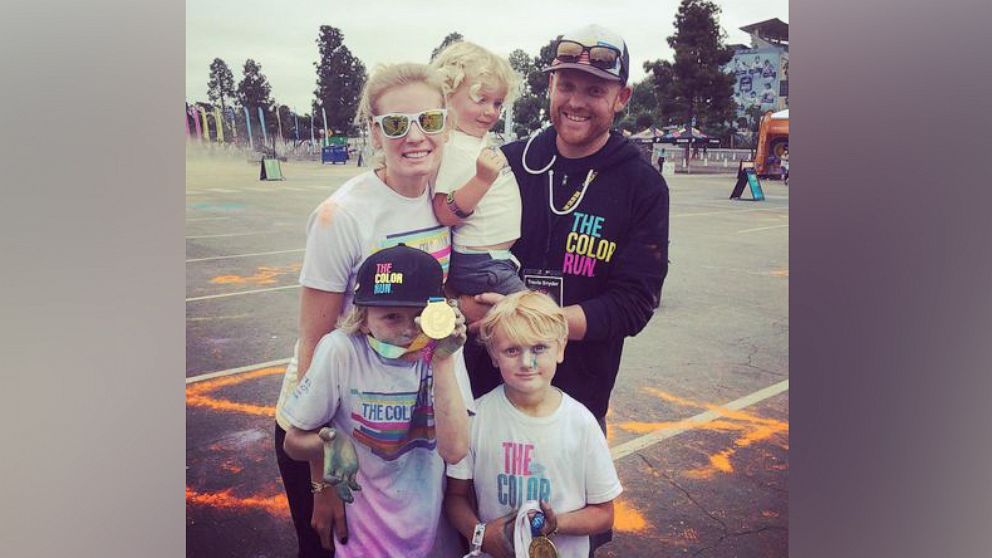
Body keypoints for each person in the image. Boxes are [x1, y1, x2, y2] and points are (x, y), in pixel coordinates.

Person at [460, 24, 669, 553]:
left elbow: (635, 302)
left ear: (621, 98)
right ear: (549, 88)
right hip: (484, 391)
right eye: (566, 85)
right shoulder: (506, 164)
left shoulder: (640, 183)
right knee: (474, 512)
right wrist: (459, 307)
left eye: (595, 90)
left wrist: (534, 323)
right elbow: (450, 245)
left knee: (569, 527)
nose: (576, 102)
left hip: (575, 397)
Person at [272, 62, 454, 558]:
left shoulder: (442, 202)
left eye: (429, 120)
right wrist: (324, 477)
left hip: (395, 421)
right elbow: (314, 339)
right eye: (396, 124)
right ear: (375, 132)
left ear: (446, 123)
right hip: (328, 425)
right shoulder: (343, 216)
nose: (415, 136)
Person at [282, 244, 473, 558]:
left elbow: (455, 451)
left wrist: (442, 362)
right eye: (392, 317)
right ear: (364, 318)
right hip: (364, 541)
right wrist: (331, 444)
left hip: (433, 539)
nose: (408, 330)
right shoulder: (341, 351)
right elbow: (293, 442)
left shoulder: (444, 353)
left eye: (420, 316)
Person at [445, 291, 622, 558]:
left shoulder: (581, 422)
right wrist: (481, 535)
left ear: (561, 348)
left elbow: (604, 514)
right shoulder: (475, 416)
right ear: (494, 355)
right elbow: (455, 498)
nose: (527, 363)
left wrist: (558, 523)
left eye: (539, 348)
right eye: (512, 350)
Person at [430, 41, 526, 296]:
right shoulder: (453, 147)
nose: (490, 112)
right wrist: (482, 180)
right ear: (447, 96)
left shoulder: (475, 140)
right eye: (481, 99)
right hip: (481, 264)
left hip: (494, 259)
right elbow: (443, 211)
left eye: (497, 103)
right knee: (536, 320)